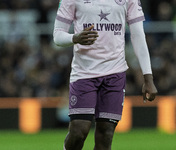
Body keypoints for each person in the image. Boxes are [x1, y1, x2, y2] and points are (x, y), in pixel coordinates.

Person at [53, 0, 157, 149]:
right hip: (84, 73)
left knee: (106, 134)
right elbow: (57, 35)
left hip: (115, 73)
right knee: (78, 131)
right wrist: (74, 38)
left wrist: (148, 77)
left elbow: (138, 35)